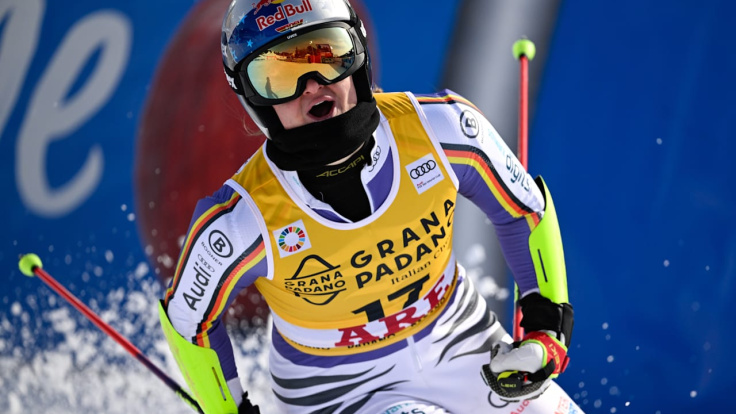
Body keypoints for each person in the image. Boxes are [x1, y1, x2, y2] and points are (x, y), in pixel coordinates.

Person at [158, 0, 582, 413]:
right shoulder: (242, 219)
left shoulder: (442, 131)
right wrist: (228, 408)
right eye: (278, 75)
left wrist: (546, 330)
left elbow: (523, 210)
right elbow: (188, 322)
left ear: (357, 54)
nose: (312, 85)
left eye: (326, 54)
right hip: (338, 390)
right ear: (252, 98)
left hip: (463, 343)